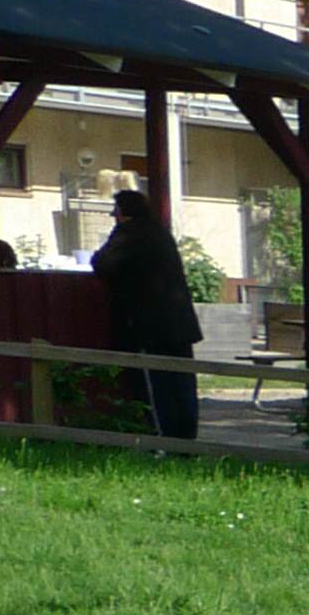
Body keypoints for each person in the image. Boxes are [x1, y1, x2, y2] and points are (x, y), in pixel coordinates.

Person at [89, 187, 201, 443]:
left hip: (150, 325)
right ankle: (187, 441)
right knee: (183, 384)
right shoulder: (160, 231)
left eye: (116, 210)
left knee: (158, 386)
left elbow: (102, 263)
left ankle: (164, 441)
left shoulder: (128, 233)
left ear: (124, 212)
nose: (113, 215)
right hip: (180, 322)